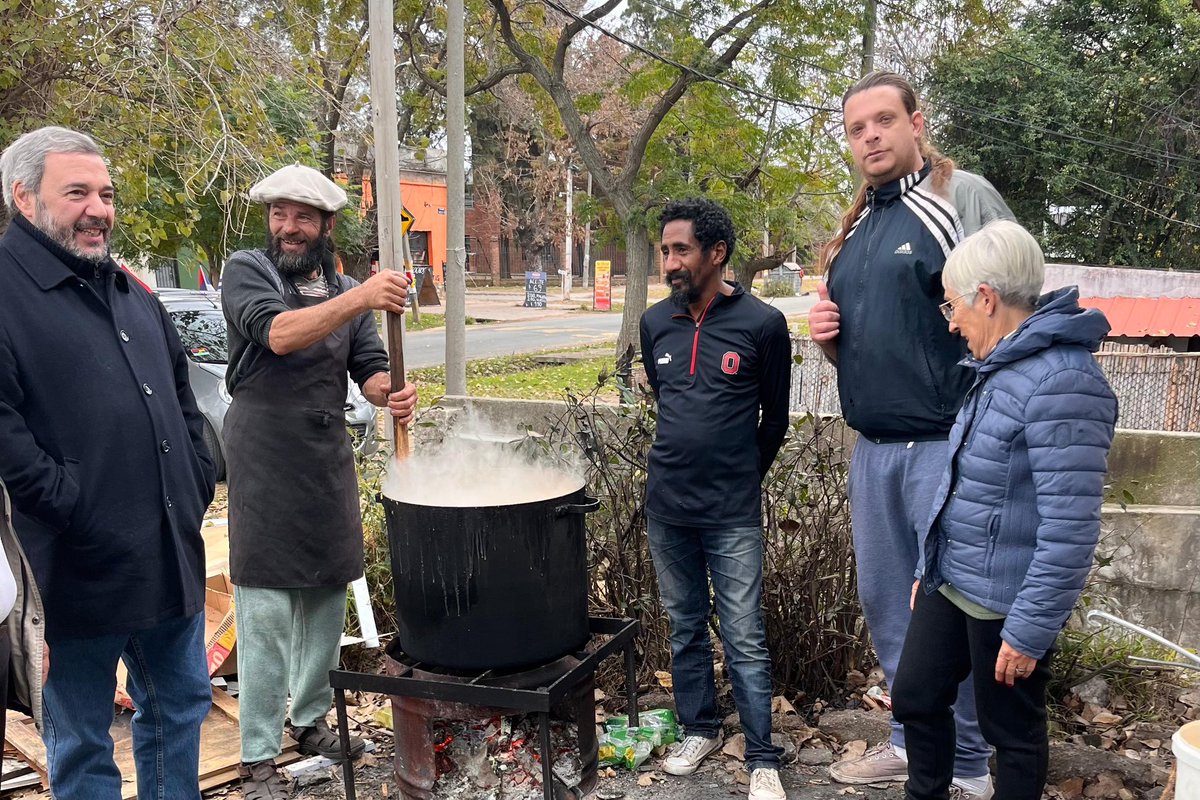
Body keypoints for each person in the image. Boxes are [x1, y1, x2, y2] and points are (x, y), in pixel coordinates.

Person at [807, 71, 1016, 798]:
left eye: (883, 121)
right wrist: (828, 338)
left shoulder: (962, 198)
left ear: (915, 122)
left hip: (947, 446)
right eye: (856, 127)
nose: (870, 136)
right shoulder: (860, 225)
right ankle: (909, 739)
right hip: (874, 450)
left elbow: (1015, 311)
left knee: (946, 612)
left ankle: (966, 764)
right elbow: (887, 341)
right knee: (889, 605)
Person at [0, 126, 217, 798]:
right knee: (83, 746)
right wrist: (75, 505)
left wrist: (196, 475)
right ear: (25, 198)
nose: (99, 208)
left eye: (106, 193)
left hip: (169, 559)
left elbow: (183, 400)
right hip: (72, 575)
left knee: (179, 709)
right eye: (77, 193)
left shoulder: (131, 292)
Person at [892, 220, 1117, 800]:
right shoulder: (1001, 368)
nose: (951, 321)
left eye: (952, 306)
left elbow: (1070, 528)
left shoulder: (1064, 380)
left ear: (985, 298)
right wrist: (928, 566)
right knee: (915, 696)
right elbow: (965, 484)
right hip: (953, 580)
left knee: (1010, 733)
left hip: (1008, 601)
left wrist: (1030, 629)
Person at [220, 163, 417, 799]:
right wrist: (362, 297)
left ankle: (308, 723)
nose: (289, 226)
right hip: (264, 451)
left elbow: (369, 370)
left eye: (303, 216)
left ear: (327, 224)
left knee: (329, 594)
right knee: (268, 606)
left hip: (325, 450)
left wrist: (392, 393)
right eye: (280, 213)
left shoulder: (342, 286)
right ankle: (256, 756)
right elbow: (278, 335)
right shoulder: (248, 270)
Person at [639, 198, 792, 800]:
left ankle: (762, 757)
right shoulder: (656, 324)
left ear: (716, 254)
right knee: (684, 626)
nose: (670, 262)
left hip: (731, 513)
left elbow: (773, 422)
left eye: (681, 250)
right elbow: (666, 400)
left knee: (744, 634)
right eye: (665, 251)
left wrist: (739, 478)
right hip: (666, 507)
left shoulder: (762, 324)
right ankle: (699, 728)